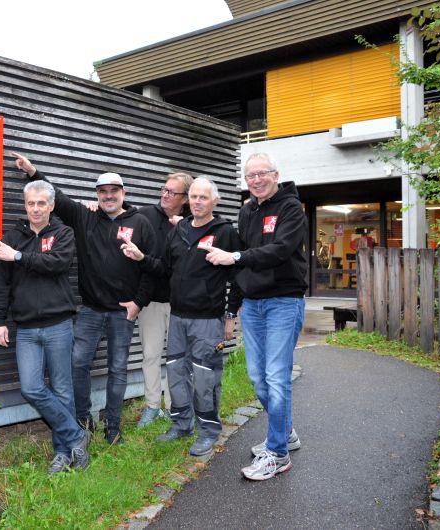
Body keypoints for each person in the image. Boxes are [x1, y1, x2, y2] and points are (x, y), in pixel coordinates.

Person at [12, 152, 157, 445]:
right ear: (97, 195)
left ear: (123, 193)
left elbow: (152, 267)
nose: (108, 196)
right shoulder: (85, 217)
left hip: (122, 311)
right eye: (102, 192)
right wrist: (33, 171)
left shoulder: (141, 223)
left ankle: (113, 426)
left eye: (113, 191)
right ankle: (82, 418)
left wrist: (138, 303)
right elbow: (59, 198)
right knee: (77, 364)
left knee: (118, 369)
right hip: (90, 310)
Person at [121, 177, 242, 456]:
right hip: (178, 316)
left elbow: (239, 276)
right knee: (176, 373)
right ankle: (181, 424)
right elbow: (165, 268)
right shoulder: (180, 230)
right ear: (188, 200)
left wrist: (230, 314)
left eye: (204, 197)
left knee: (205, 377)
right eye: (195, 197)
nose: (198, 201)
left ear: (215, 201)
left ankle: (209, 430)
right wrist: (141, 258)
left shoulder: (224, 232)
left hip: (207, 319)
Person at [206, 153, 307, 481]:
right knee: (258, 377)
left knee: (277, 377)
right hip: (254, 304)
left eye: (262, 173)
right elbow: (242, 266)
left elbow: (280, 250)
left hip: (284, 302)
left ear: (276, 175)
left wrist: (234, 255)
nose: (256, 180)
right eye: (250, 176)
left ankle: (277, 454)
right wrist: (232, 307)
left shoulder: (291, 208)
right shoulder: (247, 210)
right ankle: (286, 432)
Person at [0, 180, 90, 475]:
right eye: (31, 203)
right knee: (32, 388)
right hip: (27, 329)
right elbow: (0, 284)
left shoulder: (63, 233)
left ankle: (63, 453)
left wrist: (18, 256)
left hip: (59, 324)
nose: (35, 209)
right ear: (25, 205)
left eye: (41, 204)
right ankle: (76, 437)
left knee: (62, 390)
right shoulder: (11, 237)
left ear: (51, 205)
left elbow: (56, 263)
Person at [134, 173, 193, 428]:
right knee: (150, 354)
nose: (165, 194)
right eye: (164, 189)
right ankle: (151, 407)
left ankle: (174, 407)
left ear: (185, 199)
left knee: (178, 357)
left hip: (182, 302)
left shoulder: (193, 222)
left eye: (172, 192)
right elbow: (117, 213)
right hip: (152, 300)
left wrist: (185, 228)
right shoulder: (145, 215)